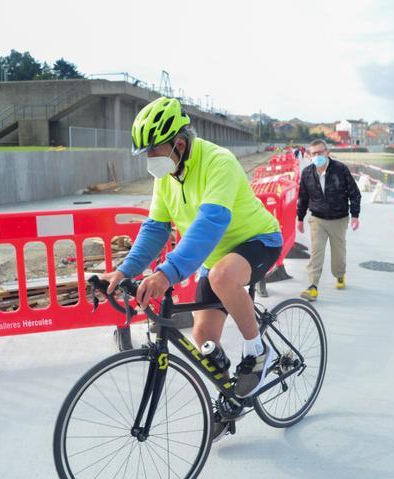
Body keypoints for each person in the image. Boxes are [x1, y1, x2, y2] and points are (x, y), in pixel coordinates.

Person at [99, 96, 283, 441]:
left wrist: (166, 274)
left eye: (153, 151)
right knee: (202, 338)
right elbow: (156, 228)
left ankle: (257, 351)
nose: (149, 160)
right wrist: (123, 271)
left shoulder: (219, 163)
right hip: (215, 257)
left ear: (179, 144)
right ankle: (232, 395)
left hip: (259, 240)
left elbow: (211, 223)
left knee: (223, 276)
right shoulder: (166, 176)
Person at [297, 139, 361, 301]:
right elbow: (303, 198)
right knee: (316, 252)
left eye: (320, 152)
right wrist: (300, 218)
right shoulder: (307, 173)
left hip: (339, 219)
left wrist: (355, 215)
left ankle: (340, 275)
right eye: (314, 153)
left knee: (338, 253)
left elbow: (354, 193)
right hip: (317, 219)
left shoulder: (341, 169)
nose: (317, 156)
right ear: (309, 156)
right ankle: (312, 286)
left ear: (327, 153)